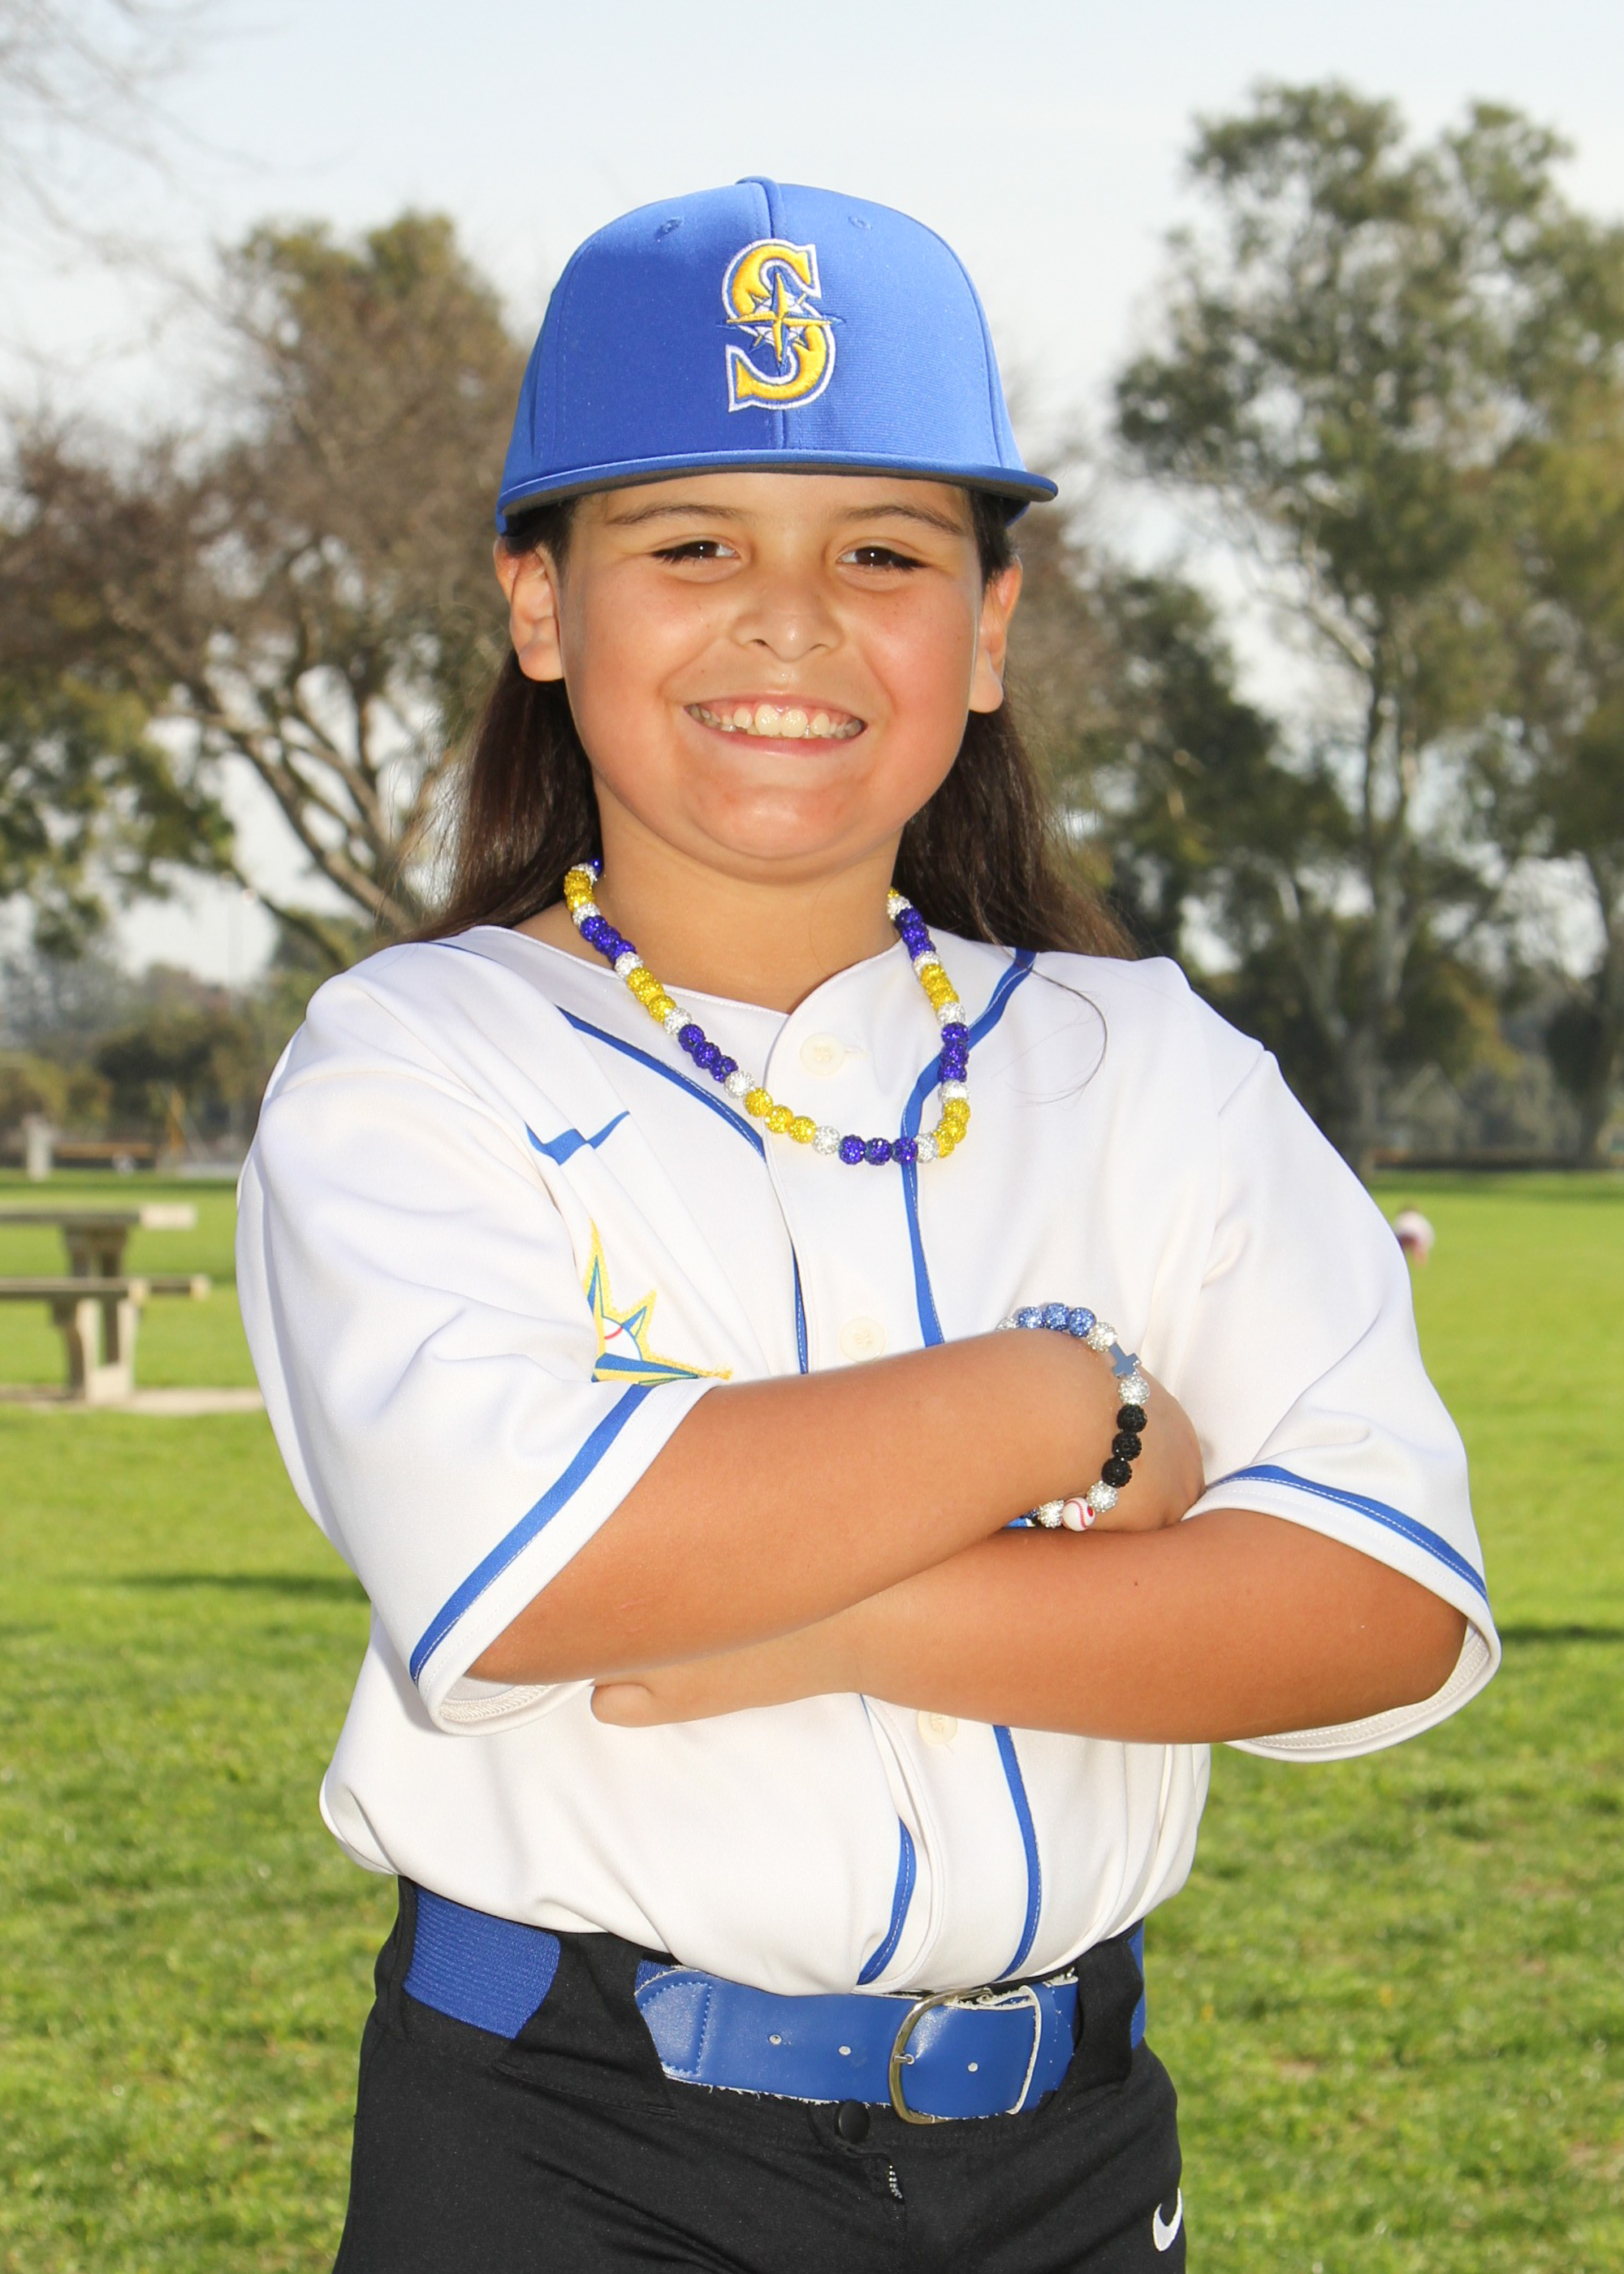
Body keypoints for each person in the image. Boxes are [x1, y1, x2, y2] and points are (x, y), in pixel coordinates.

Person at [236, 179, 1498, 2274]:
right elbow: (536, 1571)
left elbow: (1383, 1610)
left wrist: (826, 1622)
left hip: (1067, 2150)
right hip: (574, 2140)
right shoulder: (413, 1057)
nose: (791, 620)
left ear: (987, 630)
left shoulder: (1146, 1059)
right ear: (541, 605)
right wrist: (1061, 1406)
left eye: (884, 554)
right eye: (692, 544)